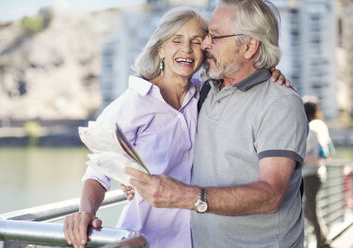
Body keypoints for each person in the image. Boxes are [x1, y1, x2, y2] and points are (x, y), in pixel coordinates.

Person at [64, 5, 288, 248]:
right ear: (160, 48)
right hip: (146, 238)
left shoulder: (206, 95)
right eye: (176, 40)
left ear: (205, 50)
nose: (186, 50)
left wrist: (270, 73)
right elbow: (98, 173)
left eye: (195, 41)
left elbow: (245, 76)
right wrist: (86, 212)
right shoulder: (132, 104)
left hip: (202, 240)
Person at [125, 0, 309, 247]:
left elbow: (271, 195)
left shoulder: (280, 103)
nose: (205, 43)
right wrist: (129, 177)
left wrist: (185, 196)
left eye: (216, 36)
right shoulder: (203, 93)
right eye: (207, 35)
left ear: (250, 46)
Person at [303, 96, 334, 248]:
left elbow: (317, 154)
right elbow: (329, 152)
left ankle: (323, 243)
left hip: (310, 175)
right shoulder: (322, 125)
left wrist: (301, 159)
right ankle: (323, 240)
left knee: (311, 211)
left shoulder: (312, 128)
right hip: (320, 173)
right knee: (310, 210)